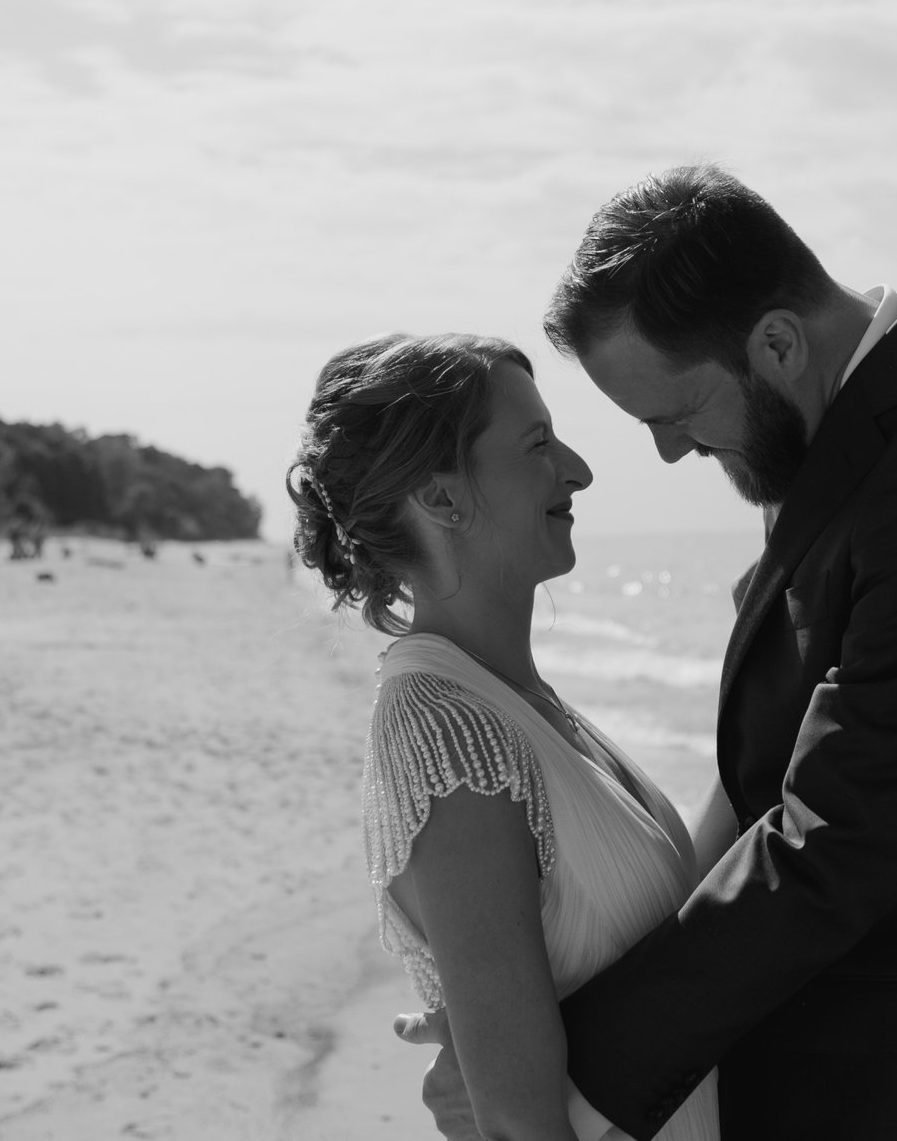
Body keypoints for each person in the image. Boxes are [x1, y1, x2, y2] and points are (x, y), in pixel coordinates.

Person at [414, 165, 897, 1141]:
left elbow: (830, 839)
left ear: (778, 342)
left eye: (675, 414)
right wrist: (525, 1013)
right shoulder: (842, 443)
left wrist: (577, 1066)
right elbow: (762, 777)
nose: (671, 452)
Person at [293, 332, 722, 1141]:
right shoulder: (452, 735)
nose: (577, 469)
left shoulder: (516, 701)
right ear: (444, 499)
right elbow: (520, 1124)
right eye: (536, 445)